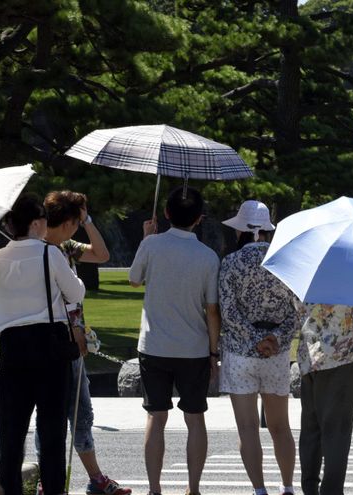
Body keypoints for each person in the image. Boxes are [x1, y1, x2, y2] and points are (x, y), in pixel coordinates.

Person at [32, 191, 129, 495]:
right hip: (56, 341)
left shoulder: (65, 247)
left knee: (79, 411)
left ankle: (92, 478)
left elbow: (101, 255)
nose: (79, 225)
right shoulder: (37, 251)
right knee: (54, 414)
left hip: (74, 342)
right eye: (77, 220)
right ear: (68, 221)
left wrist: (88, 221)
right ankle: (53, 479)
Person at [0, 193, 86, 495]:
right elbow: (76, 292)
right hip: (49, 344)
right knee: (52, 429)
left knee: (11, 431)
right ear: (35, 223)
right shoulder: (50, 253)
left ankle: (12, 490)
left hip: (11, 345)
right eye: (44, 219)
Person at [129, 187, 221, 495]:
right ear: (199, 218)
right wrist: (213, 351)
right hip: (193, 348)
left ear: (166, 213)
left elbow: (134, 278)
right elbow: (211, 310)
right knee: (195, 419)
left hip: (154, 345)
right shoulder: (208, 257)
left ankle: (155, 488)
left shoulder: (152, 245)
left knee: (156, 417)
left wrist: (146, 237)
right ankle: (193, 488)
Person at [218, 200, 298, 495]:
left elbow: (228, 312)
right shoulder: (285, 261)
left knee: (248, 428)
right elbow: (296, 311)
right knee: (280, 427)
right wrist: (274, 338)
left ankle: (259, 490)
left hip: (240, 353)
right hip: (275, 354)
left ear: (241, 230)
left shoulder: (230, 263)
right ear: (266, 231)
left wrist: (253, 339)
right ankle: (288, 486)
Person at [298, 304, 353, 495]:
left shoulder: (307, 275)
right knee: (337, 430)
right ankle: (332, 490)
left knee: (311, 428)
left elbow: (296, 310)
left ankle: (310, 487)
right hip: (344, 353)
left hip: (310, 352)